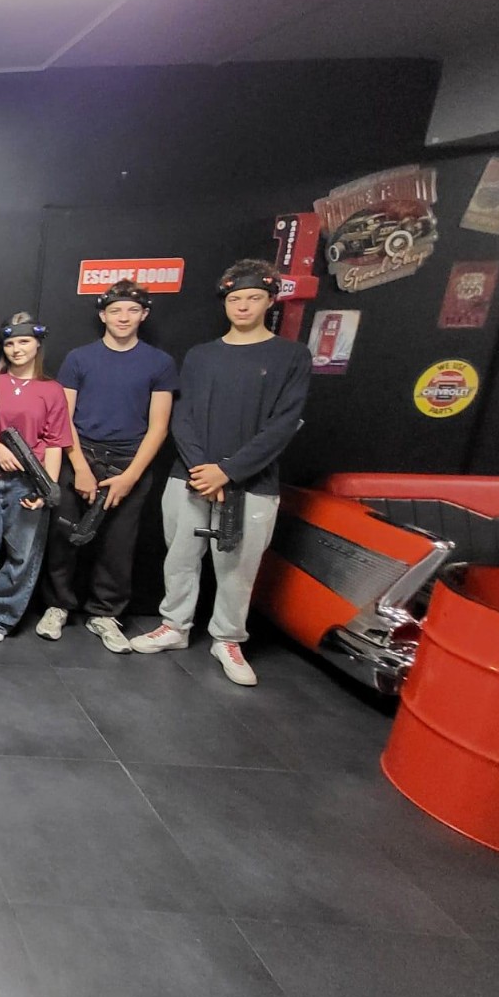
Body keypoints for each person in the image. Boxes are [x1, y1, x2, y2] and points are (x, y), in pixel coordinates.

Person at [130, 260, 311, 686]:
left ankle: (228, 639)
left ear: (270, 301)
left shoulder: (291, 356)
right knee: (179, 556)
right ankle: (174, 626)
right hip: (190, 476)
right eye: (235, 299)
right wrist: (202, 470)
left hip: (253, 482)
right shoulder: (201, 355)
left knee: (238, 567)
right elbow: (182, 416)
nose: (243, 306)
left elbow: (284, 424)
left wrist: (228, 472)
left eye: (253, 298)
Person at [35, 279, 177, 654]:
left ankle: (105, 613)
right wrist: (80, 467)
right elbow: (62, 417)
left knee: (118, 544)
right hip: (81, 454)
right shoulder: (79, 358)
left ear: (144, 314)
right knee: (63, 537)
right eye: (115, 310)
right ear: (103, 315)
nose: (123, 317)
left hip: (129, 461)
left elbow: (159, 426)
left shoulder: (159, 363)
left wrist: (130, 476)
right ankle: (57, 605)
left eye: (132, 310)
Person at [0, 314, 71, 644]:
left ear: (37, 344)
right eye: (10, 343)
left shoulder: (51, 390)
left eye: (24, 342)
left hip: (28, 484)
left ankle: (1, 615)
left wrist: (46, 488)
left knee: (22, 556)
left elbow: (55, 443)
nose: (16, 349)